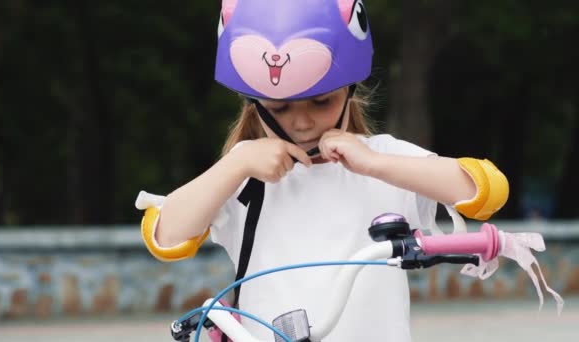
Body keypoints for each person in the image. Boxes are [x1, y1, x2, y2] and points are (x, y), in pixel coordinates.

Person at [135, 1, 509, 341]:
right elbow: (165, 237)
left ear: (349, 89)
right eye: (279, 108)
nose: (301, 123)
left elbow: (487, 190)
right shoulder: (243, 172)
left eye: (321, 102)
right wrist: (237, 163)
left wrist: (373, 163)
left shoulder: (382, 159)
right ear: (253, 104)